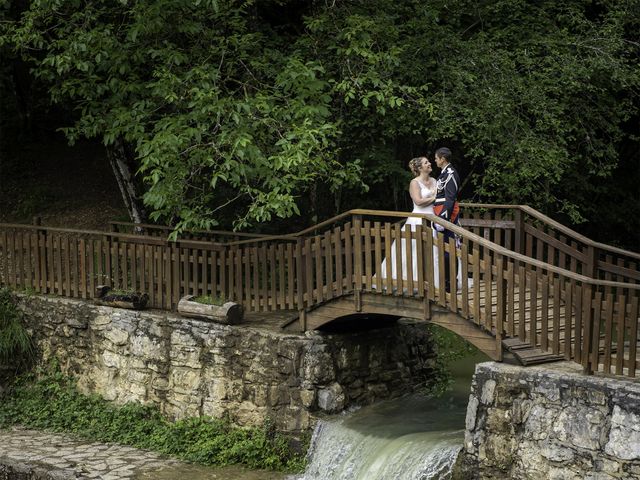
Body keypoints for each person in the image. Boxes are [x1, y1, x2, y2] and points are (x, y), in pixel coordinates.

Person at [380, 156, 439, 288]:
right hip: (418, 219)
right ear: (419, 168)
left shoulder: (434, 180)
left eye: (429, 162)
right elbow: (418, 201)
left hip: (434, 218)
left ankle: (435, 282)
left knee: (434, 249)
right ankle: (410, 281)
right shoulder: (414, 183)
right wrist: (435, 198)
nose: (429, 164)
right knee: (413, 250)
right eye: (426, 163)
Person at [433, 147, 462, 291]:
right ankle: (446, 282)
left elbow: (450, 199)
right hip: (439, 212)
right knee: (444, 250)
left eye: (436, 158)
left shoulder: (451, 174)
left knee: (449, 250)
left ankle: (451, 284)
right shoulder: (443, 174)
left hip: (447, 215)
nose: (435, 160)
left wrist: (443, 219)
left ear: (443, 158)